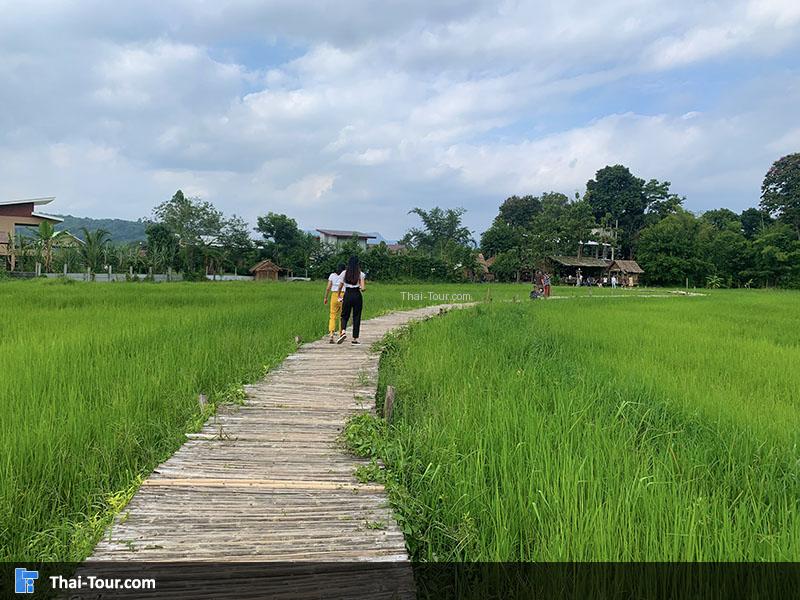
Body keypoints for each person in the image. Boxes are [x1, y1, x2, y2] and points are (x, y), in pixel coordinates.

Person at [336, 255, 366, 345]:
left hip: (347, 294)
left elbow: (340, 286)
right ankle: (355, 339)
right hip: (357, 295)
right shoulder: (360, 274)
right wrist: (362, 286)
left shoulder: (344, 273)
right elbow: (363, 288)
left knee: (344, 315)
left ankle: (343, 331)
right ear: (357, 264)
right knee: (356, 316)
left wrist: (338, 295)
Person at [323, 263, 345, 343]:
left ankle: (331, 334)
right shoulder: (345, 275)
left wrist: (325, 297)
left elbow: (328, 287)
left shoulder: (332, 275)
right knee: (342, 316)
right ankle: (341, 334)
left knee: (332, 315)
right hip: (343, 295)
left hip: (334, 295)